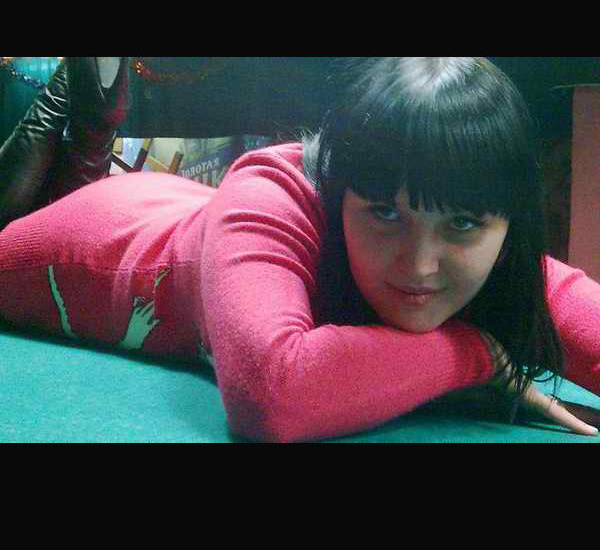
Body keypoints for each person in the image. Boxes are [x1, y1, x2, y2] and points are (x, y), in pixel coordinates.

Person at [0, 57, 599, 443]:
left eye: (463, 223)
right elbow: (271, 394)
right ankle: (83, 127)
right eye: (384, 213)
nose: (420, 264)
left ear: (510, 226)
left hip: (188, 210)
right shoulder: (273, 197)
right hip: (100, 234)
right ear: (339, 198)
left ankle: (89, 132)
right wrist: (475, 354)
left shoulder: (499, 242)